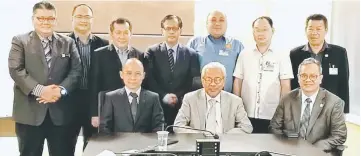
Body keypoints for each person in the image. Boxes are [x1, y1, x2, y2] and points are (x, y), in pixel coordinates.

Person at [8, 1, 81, 156]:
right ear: (33, 19)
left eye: (50, 18)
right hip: (29, 115)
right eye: (41, 18)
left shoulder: (68, 43)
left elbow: (76, 72)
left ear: (55, 20)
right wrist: (41, 90)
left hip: (61, 115)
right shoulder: (20, 41)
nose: (45, 22)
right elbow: (16, 70)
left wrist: (60, 91)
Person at [270, 58, 347, 154]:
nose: (308, 79)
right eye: (303, 76)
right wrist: (289, 144)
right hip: (290, 151)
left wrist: (311, 149)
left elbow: (339, 135)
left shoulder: (334, 103)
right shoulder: (287, 99)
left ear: (320, 78)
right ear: (298, 78)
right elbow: (274, 128)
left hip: (318, 153)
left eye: (313, 76)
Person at [233, 16, 293, 133]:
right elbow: (238, 82)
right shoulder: (244, 54)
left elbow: (285, 86)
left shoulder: (282, 55)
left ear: (272, 31)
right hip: (246, 114)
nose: (261, 33)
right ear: (253, 31)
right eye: (257, 29)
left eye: (265, 29)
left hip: (272, 115)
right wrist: (238, 109)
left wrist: (282, 112)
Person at [145, 15, 200, 131]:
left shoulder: (191, 54)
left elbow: (193, 81)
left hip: (182, 107)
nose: (171, 32)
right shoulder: (152, 52)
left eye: (174, 28)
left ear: (180, 31)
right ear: (162, 31)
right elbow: (149, 78)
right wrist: (163, 95)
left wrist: (179, 97)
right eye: (168, 28)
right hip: (157, 105)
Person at [68, 3, 109, 150]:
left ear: (92, 20)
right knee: (65, 147)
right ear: (72, 19)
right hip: (69, 103)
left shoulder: (104, 44)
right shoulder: (62, 43)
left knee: (92, 147)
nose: (83, 20)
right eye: (79, 16)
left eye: (87, 17)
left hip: (95, 103)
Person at [289, 14, 349, 113]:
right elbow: (293, 83)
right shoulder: (295, 54)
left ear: (326, 30)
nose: (314, 32)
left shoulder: (339, 53)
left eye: (318, 29)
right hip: (304, 108)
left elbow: (343, 83)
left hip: (330, 109)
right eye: (311, 29)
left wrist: (344, 111)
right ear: (306, 30)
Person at [89, 18, 144, 127]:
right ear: (111, 34)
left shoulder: (139, 55)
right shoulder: (99, 55)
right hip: (107, 108)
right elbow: (93, 85)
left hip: (132, 109)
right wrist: (94, 114)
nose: (122, 36)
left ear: (130, 34)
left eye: (125, 33)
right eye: (118, 32)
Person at [174, 62, 253, 134]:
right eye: (208, 79)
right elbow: (178, 126)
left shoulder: (235, 101)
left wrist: (226, 136)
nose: (212, 84)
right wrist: (200, 135)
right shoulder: (190, 99)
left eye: (217, 80)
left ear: (224, 81)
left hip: (226, 145)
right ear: (202, 80)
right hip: (198, 144)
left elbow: (247, 127)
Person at [100, 58, 165, 133]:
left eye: (137, 73)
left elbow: (159, 125)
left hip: (145, 143)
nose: (133, 78)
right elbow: (104, 127)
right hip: (119, 143)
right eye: (129, 73)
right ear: (121, 74)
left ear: (143, 75)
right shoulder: (111, 97)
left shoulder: (153, 98)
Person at [187, 10, 244, 92]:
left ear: (226, 24)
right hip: (200, 98)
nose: (217, 23)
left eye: (221, 20)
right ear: (207, 24)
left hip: (227, 98)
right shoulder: (195, 42)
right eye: (213, 20)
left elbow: (241, 76)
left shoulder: (237, 45)